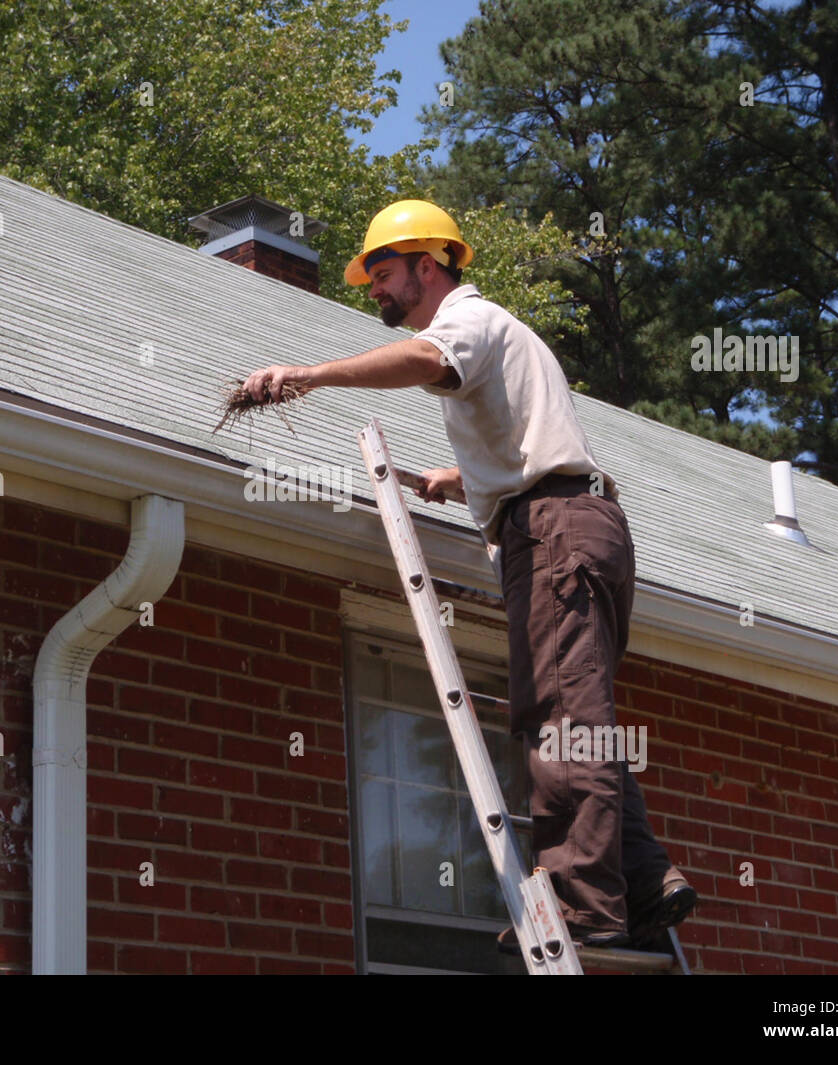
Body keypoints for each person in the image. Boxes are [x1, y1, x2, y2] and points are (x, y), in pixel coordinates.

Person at [242, 199, 697, 950]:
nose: (375, 290)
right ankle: (645, 877)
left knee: (560, 716)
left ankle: (581, 906)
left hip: (553, 533)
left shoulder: (467, 321)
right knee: (580, 713)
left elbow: (428, 361)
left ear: (430, 264)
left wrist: (310, 375)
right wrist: (464, 480)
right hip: (577, 525)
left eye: (383, 273)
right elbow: (530, 443)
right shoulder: (504, 336)